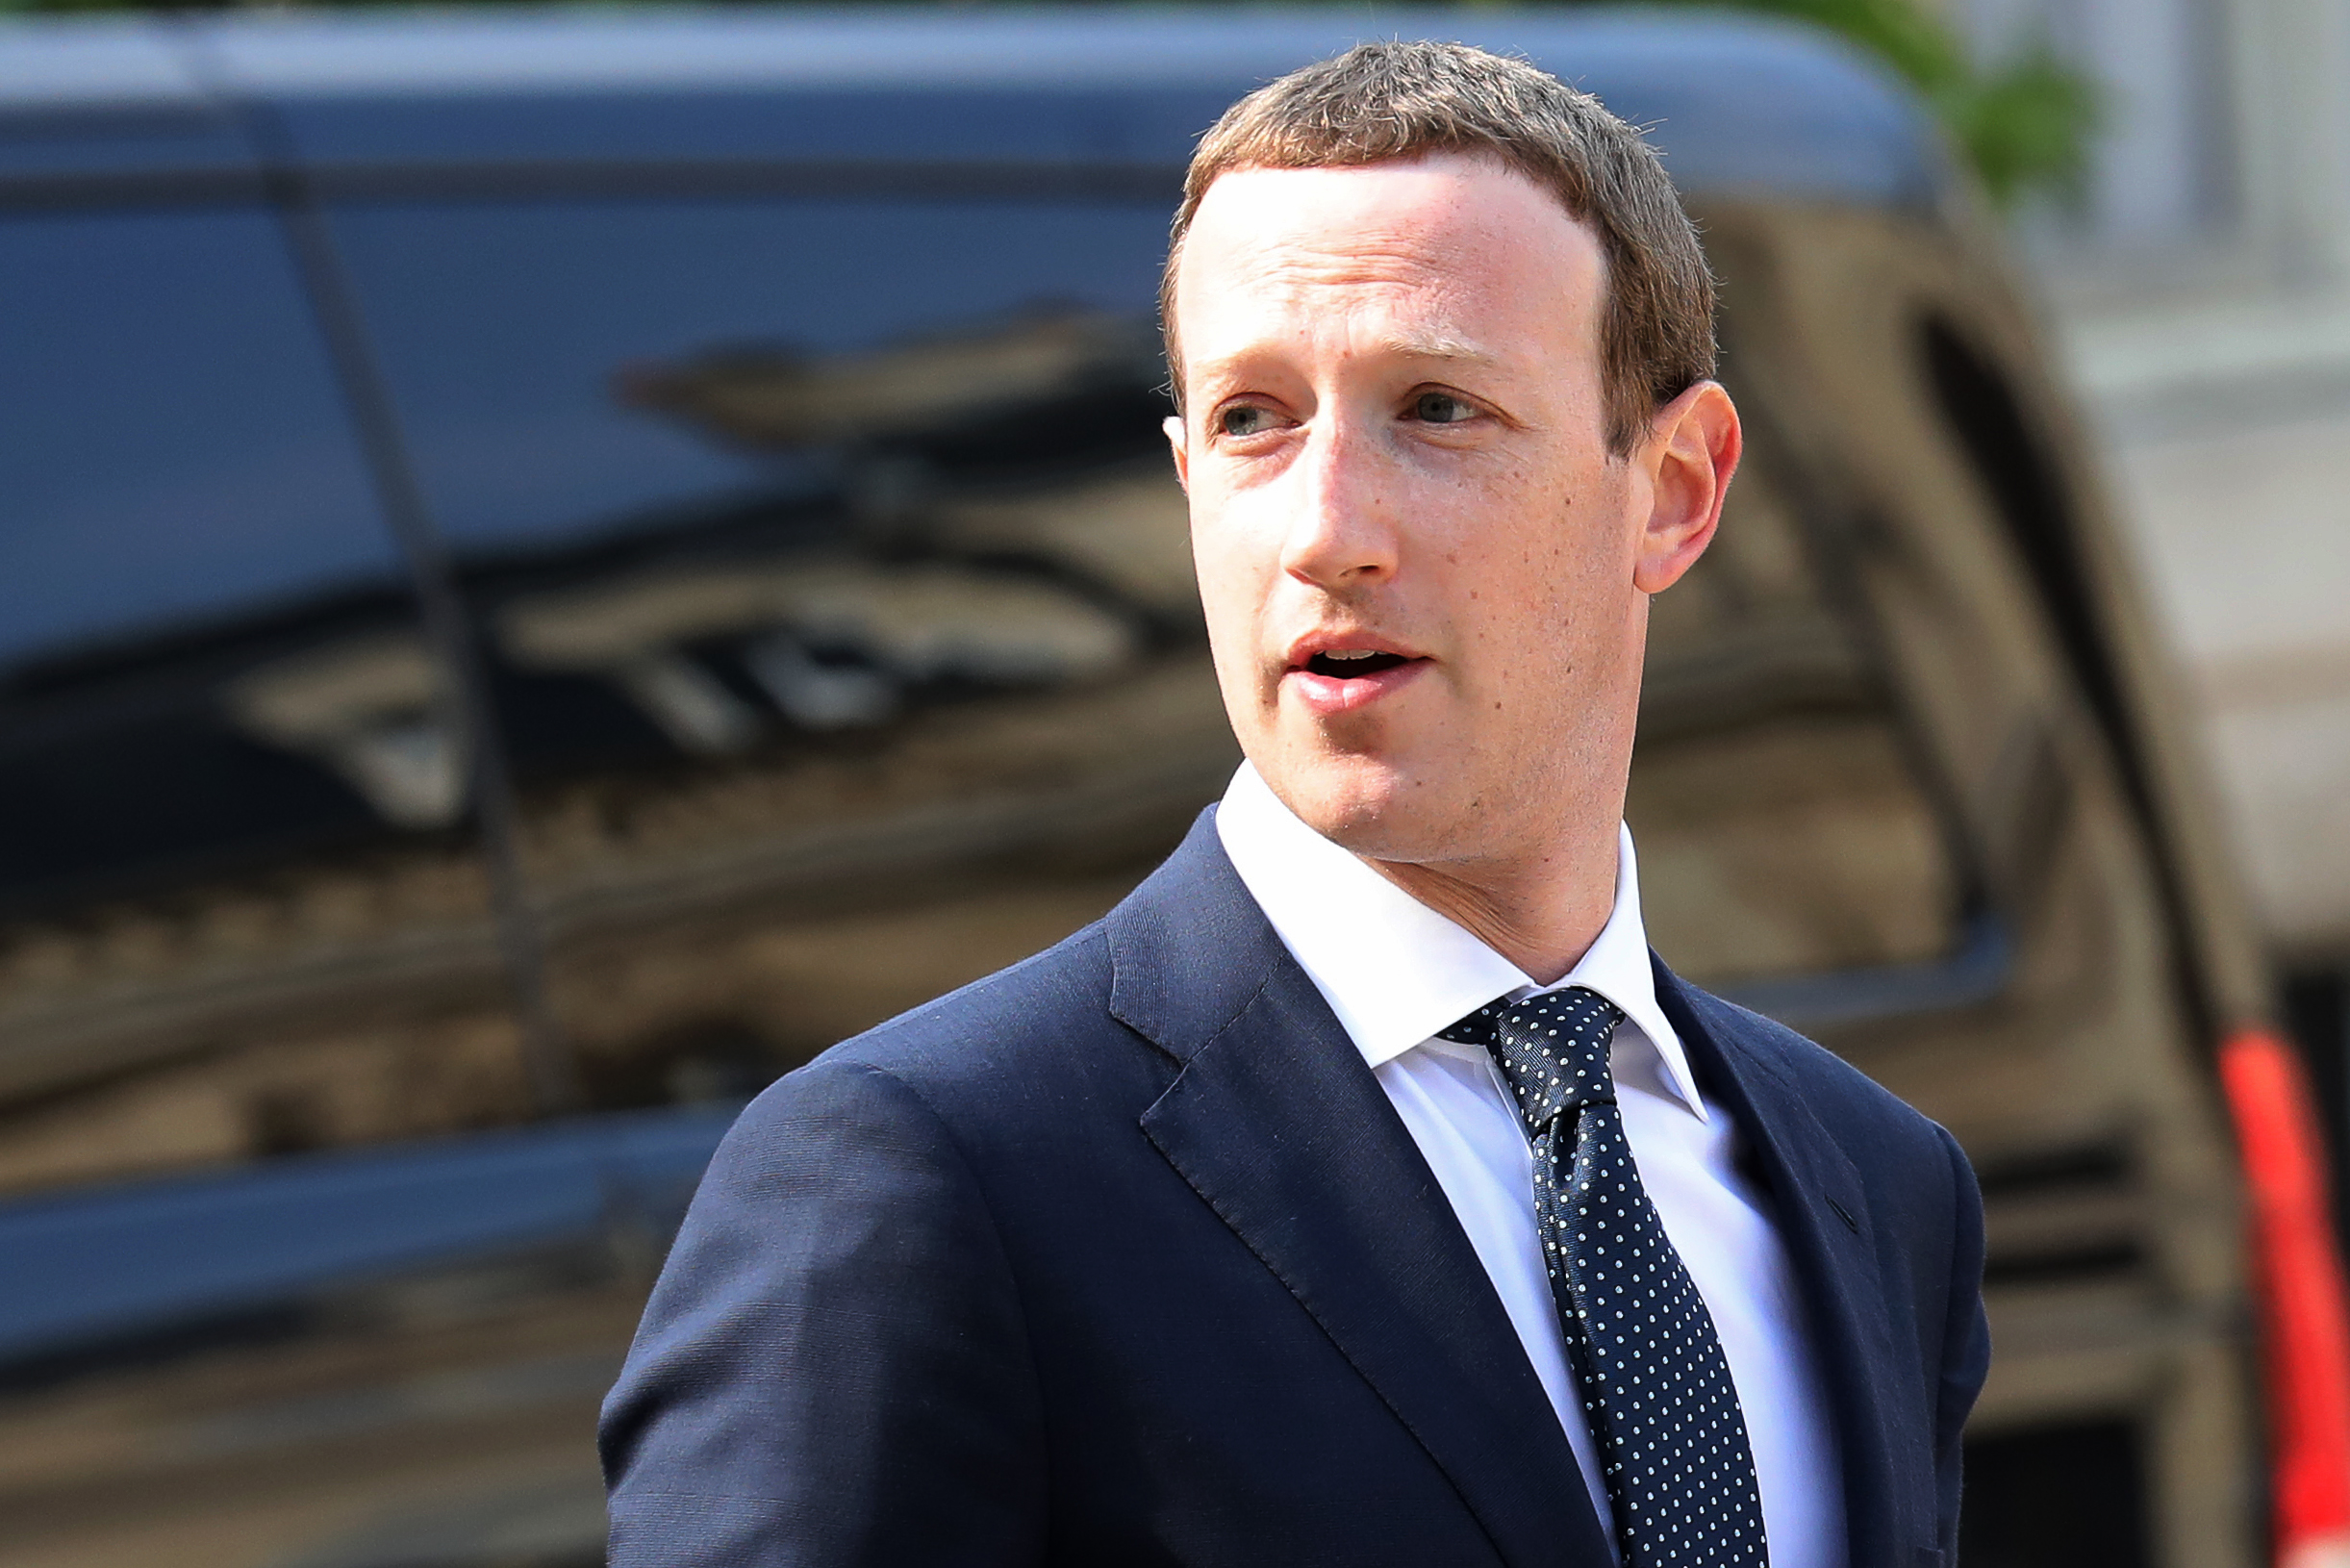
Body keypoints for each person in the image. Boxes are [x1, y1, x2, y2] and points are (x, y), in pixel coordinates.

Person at [600, 40, 1989, 1568]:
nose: (1326, 528)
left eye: (1439, 407)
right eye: (1256, 419)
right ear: (1188, 473)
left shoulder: (1875, 1183)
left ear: (1672, 488)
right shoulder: (921, 1181)